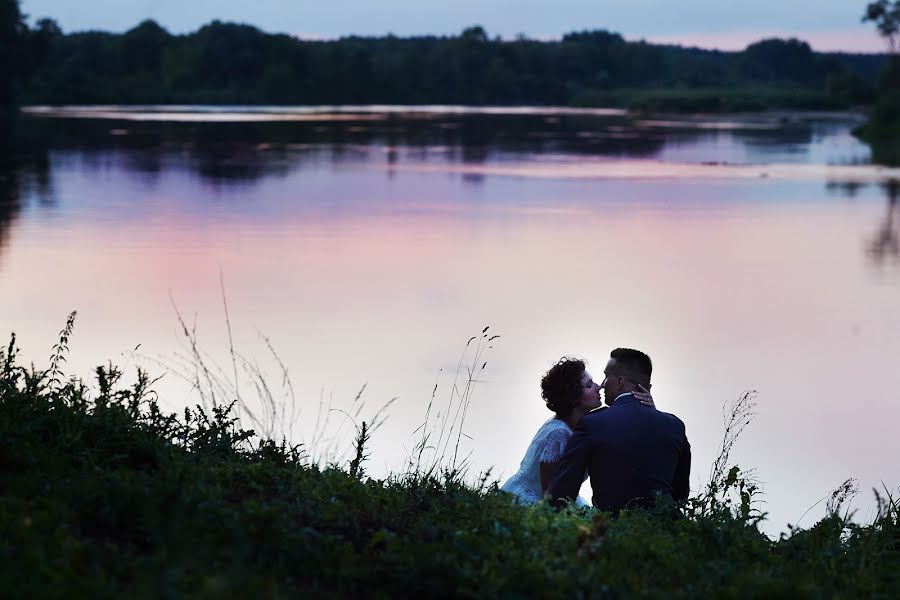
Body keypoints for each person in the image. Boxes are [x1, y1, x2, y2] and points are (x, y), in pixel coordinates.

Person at [548, 348, 691, 512]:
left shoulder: (592, 424)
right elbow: (680, 495)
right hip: (665, 529)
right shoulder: (674, 425)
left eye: (606, 376)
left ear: (620, 382)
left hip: (614, 530)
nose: (602, 384)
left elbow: (562, 492)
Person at [500, 356, 653, 506]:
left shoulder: (584, 424)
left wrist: (647, 409)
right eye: (589, 385)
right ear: (574, 396)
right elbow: (549, 497)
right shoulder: (558, 433)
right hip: (530, 505)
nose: (599, 386)